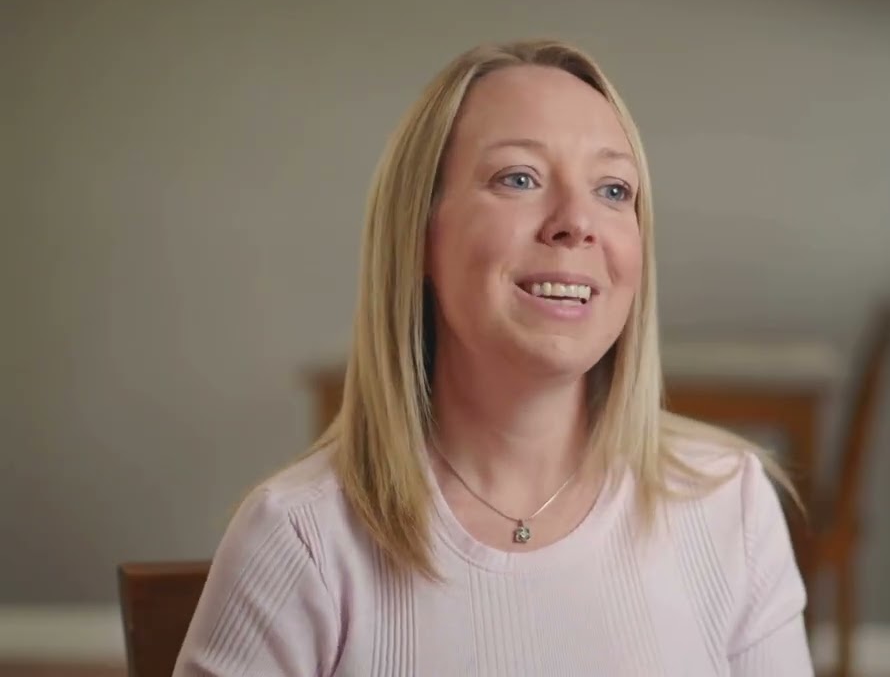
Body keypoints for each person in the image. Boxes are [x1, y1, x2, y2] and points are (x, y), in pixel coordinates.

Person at [174, 38, 815, 676]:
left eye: (614, 189)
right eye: (519, 178)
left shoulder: (732, 503)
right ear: (419, 234)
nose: (576, 222)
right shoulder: (300, 537)